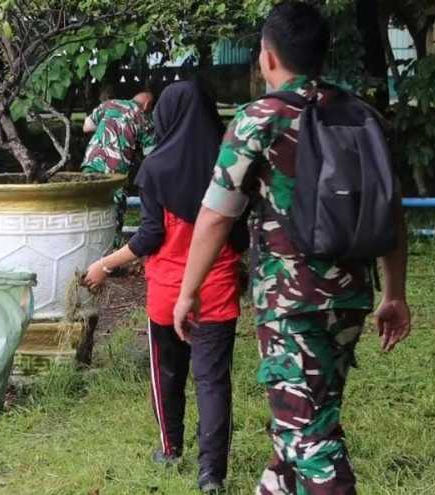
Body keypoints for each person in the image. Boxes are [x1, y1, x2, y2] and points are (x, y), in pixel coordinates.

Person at [173, 3, 411, 493]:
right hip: (349, 298)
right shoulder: (361, 116)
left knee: (308, 436)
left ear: (268, 57)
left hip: (291, 302)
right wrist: (395, 293)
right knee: (302, 424)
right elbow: (390, 211)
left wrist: (188, 291)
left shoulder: (260, 118)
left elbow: (217, 214)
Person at [83, 80, 245, 493]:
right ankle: (212, 473)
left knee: (167, 374)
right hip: (218, 289)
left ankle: (170, 449)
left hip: (168, 292)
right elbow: (241, 235)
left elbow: (149, 236)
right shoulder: (232, 165)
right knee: (213, 381)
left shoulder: (154, 168)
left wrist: (104, 264)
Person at [80, 90, 156, 248]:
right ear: (147, 105)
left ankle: (86, 244)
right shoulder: (143, 116)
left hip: (92, 161)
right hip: (115, 169)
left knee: (88, 201)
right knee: (114, 208)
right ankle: (110, 248)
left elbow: (87, 127)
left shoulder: (110, 104)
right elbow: (151, 154)